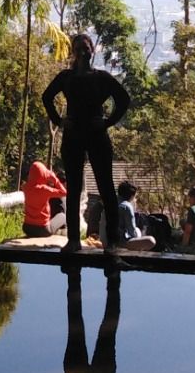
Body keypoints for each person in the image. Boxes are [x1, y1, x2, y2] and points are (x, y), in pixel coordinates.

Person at [42, 33, 131, 253]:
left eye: (86, 48)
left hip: (95, 134)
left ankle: (111, 244)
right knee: (72, 189)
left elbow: (123, 99)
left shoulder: (101, 77)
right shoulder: (66, 77)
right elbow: (47, 97)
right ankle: (73, 241)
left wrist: (107, 123)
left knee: (106, 188)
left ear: (92, 51)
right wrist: (60, 121)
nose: (83, 52)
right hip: (75, 136)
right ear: (73, 52)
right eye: (79, 48)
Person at [100, 180, 156, 252]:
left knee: (137, 230)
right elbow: (132, 233)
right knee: (150, 240)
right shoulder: (126, 206)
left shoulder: (110, 203)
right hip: (116, 243)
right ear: (132, 195)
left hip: (104, 242)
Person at [21, 157, 68, 238]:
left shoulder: (25, 187)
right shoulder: (44, 189)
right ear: (43, 175)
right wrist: (55, 179)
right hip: (42, 230)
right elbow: (64, 192)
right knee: (62, 216)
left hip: (27, 227)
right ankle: (59, 234)